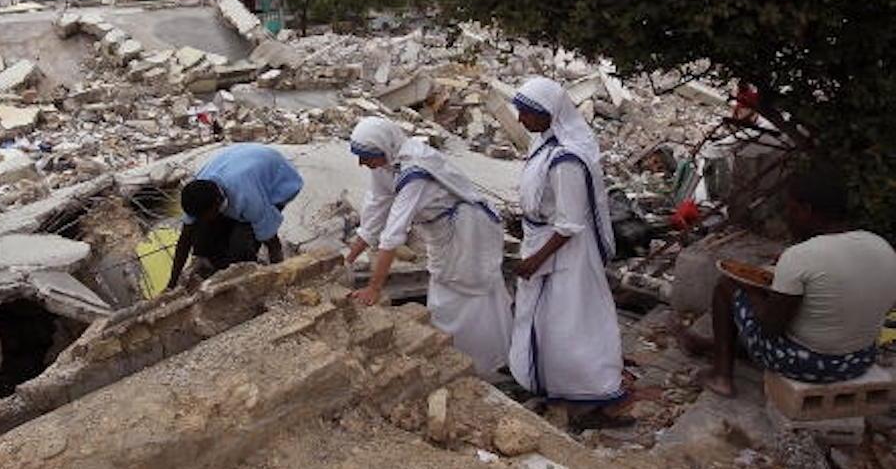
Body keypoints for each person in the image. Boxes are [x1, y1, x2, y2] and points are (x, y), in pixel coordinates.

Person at [680, 170, 896, 397]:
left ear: (807, 210)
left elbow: (769, 329)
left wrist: (751, 288)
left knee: (727, 287)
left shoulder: (800, 256)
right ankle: (709, 346)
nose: (787, 217)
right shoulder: (881, 246)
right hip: (860, 359)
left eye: (791, 210)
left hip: (809, 366)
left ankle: (720, 377)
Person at [342, 117, 513, 381]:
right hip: (442, 231)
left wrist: (374, 288)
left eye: (366, 156)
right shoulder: (385, 164)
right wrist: (347, 260)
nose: (362, 164)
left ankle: (486, 361)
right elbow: (374, 216)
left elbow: (393, 234)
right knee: (444, 284)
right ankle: (454, 351)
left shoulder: (414, 172)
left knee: (470, 289)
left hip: (466, 231)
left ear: (384, 148)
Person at [509, 77, 630, 427]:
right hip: (543, 242)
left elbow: (569, 223)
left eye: (527, 114)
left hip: (563, 255)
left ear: (549, 114)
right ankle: (544, 379)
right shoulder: (545, 145)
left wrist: (534, 260)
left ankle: (588, 393)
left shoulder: (566, 161)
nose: (521, 120)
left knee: (570, 323)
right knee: (546, 320)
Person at [167, 143, 303, 289]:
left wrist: (279, 274)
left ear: (217, 203)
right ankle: (217, 268)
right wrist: (172, 283)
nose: (202, 220)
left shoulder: (250, 200)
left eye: (206, 215)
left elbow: (271, 241)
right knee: (203, 239)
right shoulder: (197, 195)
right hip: (239, 159)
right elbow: (185, 239)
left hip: (278, 177)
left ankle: (243, 275)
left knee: (241, 247)